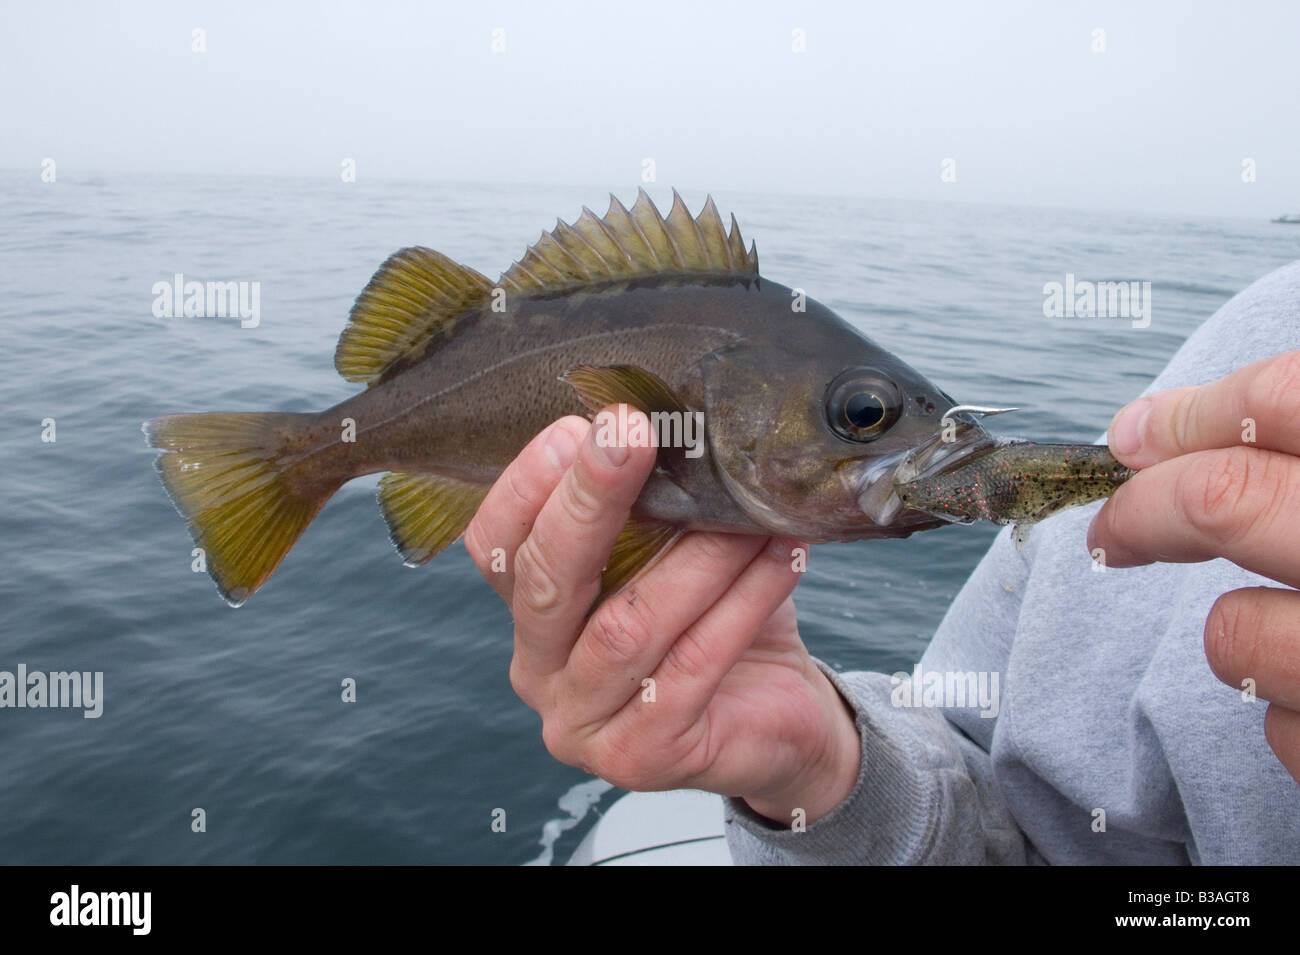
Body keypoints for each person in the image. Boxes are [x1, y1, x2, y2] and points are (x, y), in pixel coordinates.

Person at [465, 261, 1300, 864]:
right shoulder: (1258, 339)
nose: (925, 450)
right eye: (864, 413)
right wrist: (827, 771)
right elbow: (1022, 834)